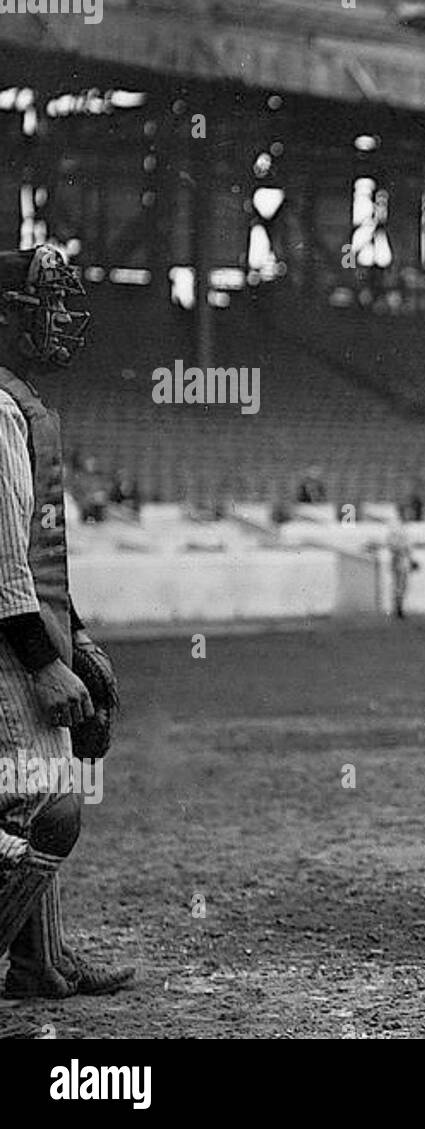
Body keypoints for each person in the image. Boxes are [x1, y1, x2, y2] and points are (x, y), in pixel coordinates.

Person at [0, 244, 134, 998]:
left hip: (24, 632)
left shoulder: (21, 403)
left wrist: (74, 636)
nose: (59, 320)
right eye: (41, 306)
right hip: (5, 647)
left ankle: (39, 962)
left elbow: (36, 550)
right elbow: (0, 560)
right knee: (42, 807)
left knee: (43, 787)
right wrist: (43, 659)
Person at [386, 516, 419, 619]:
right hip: (399, 560)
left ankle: (398, 607)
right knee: (400, 585)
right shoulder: (399, 531)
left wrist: (411, 560)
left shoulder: (400, 531)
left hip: (400, 560)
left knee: (401, 585)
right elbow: (397, 547)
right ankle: (398, 608)